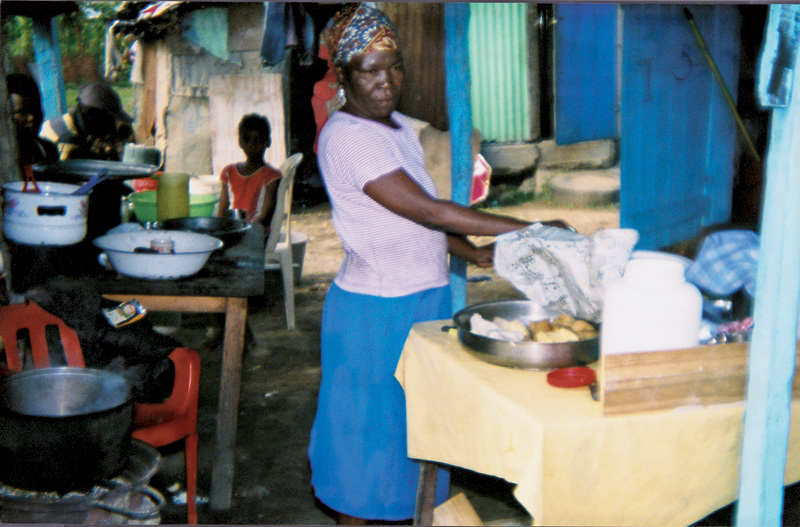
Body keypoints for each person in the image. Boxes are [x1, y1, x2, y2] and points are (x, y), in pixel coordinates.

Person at [307, 4, 571, 525]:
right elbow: (428, 209)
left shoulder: (398, 129)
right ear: (344, 73)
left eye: (394, 67)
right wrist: (530, 227)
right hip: (375, 313)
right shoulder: (347, 137)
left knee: (416, 435)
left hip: (422, 301)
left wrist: (469, 251)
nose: (386, 81)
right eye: (370, 70)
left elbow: (414, 220)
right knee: (364, 450)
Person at [39, 81, 133, 161]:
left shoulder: (67, 121)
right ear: (89, 114)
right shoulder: (67, 139)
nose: (111, 126)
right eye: (109, 120)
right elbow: (73, 174)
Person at [217, 114, 282, 227]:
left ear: (268, 141)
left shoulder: (271, 176)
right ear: (240, 142)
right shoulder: (228, 172)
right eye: (247, 139)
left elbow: (265, 217)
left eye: (258, 140)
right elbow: (222, 211)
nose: (252, 144)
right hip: (232, 231)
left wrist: (242, 230)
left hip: (256, 232)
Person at [6, 73, 58, 170]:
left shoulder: (47, 150)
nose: (31, 118)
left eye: (35, 110)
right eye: (22, 113)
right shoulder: (4, 159)